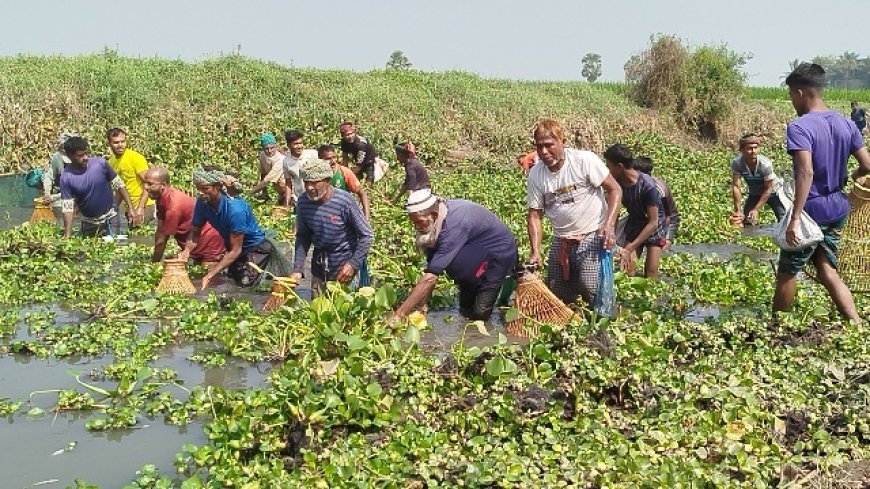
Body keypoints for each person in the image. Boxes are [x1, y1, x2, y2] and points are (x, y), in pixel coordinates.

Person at [774, 63, 870, 324]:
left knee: (787, 271)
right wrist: (853, 176)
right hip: (838, 206)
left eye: (792, 95)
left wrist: (794, 218)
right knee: (826, 267)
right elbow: (868, 165)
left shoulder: (800, 127)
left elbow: (805, 173)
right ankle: (856, 323)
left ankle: (777, 327)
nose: (793, 101)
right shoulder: (846, 123)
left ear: (801, 93)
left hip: (811, 208)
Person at [526, 118, 621, 307]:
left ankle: (602, 331)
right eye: (539, 147)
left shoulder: (583, 160)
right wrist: (535, 251)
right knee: (557, 292)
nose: (544, 152)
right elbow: (535, 215)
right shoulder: (536, 174)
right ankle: (571, 331)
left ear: (562, 141)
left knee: (592, 289)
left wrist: (609, 225)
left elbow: (615, 189)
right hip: (562, 238)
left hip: (593, 233)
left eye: (549, 145)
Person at [391, 189, 517, 321]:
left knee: (480, 313)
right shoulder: (434, 224)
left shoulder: (452, 226)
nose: (416, 227)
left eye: (419, 222)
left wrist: (399, 315)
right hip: (475, 251)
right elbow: (432, 265)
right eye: (413, 222)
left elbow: (430, 278)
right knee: (465, 309)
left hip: (499, 252)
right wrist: (423, 304)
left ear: (433, 215)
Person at [179, 167, 291, 289]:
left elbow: (235, 250)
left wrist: (210, 275)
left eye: (205, 188)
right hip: (236, 249)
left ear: (217, 188)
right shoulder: (202, 203)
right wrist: (186, 251)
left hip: (255, 248)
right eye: (198, 188)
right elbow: (195, 233)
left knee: (246, 285)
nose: (201, 192)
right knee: (232, 282)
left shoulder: (235, 210)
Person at [289, 158, 373, 297]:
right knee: (319, 311)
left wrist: (353, 264)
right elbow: (303, 236)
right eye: (306, 182)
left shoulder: (345, 201)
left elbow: (366, 235)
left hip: (345, 269)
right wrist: (297, 268)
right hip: (319, 268)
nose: (309, 187)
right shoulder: (303, 202)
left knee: (345, 313)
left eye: (314, 182)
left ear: (327, 180)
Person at [603, 145, 667, 279]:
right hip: (635, 221)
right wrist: (611, 236)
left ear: (619, 167)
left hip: (654, 225)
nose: (606, 170)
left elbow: (653, 222)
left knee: (650, 272)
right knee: (627, 271)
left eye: (608, 166)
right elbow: (614, 211)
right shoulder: (616, 183)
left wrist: (630, 247)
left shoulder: (647, 186)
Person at [141, 167, 225, 265]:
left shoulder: (173, 206)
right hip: (194, 242)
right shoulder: (162, 198)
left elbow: (162, 239)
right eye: (145, 183)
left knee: (210, 276)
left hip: (209, 243)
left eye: (150, 184)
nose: (146, 187)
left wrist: (153, 263)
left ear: (163, 185)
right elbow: (160, 230)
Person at [59, 136, 135, 238]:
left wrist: (130, 207)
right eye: (80, 155)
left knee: (113, 249)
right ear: (70, 156)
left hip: (110, 217)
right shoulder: (66, 177)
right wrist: (67, 235)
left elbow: (119, 184)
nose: (85, 157)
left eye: (86, 153)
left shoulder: (100, 164)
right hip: (88, 222)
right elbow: (67, 208)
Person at [730, 133, 786, 225]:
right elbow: (736, 186)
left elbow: (768, 188)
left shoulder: (765, 164)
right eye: (749, 149)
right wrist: (738, 210)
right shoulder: (737, 163)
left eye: (755, 148)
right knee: (747, 221)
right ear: (742, 150)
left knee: (783, 219)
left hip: (773, 192)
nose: (753, 151)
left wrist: (756, 209)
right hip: (754, 193)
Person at [106, 127, 154, 229]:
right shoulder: (111, 162)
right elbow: (120, 189)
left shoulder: (135, 158)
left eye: (122, 142)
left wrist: (140, 208)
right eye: (116, 142)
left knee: (139, 237)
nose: (120, 145)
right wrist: (113, 209)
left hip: (144, 205)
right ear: (109, 143)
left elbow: (148, 184)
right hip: (130, 208)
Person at [633, 156, 680, 249]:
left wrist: (668, 239)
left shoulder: (659, 189)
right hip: (645, 221)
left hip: (664, 223)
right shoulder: (634, 185)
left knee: (661, 252)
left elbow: (670, 216)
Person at [319, 144, 371, 219]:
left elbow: (362, 193)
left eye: (334, 157)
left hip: (345, 213)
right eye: (328, 159)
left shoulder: (344, 172)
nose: (333, 161)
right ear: (320, 160)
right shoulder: (317, 176)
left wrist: (366, 218)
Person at [42, 132, 77, 220]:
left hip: (76, 197)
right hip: (61, 194)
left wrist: (54, 197)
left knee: (72, 217)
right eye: (63, 149)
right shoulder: (57, 157)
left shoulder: (79, 159)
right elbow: (49, 177)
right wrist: (47, 193)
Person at [249, 133, 290, 204]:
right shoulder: (262, 155)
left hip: (290, 193)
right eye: (266, 149)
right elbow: (263, 174)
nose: (270, 151)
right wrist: (265, 193)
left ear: (276, 146)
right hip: (280, 193)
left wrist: (249, 194)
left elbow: (266, 181)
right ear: (262, 148)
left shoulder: (281, 160)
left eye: (272, 148)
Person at [282, 130, 319, 205]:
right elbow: (288, 184)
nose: (299, 146)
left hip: (316, 196)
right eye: (296, 144)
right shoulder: (286, 161)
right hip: (300, 198)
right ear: (288, 145)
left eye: (301, 143)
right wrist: (287, 203)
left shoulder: (313, 155)